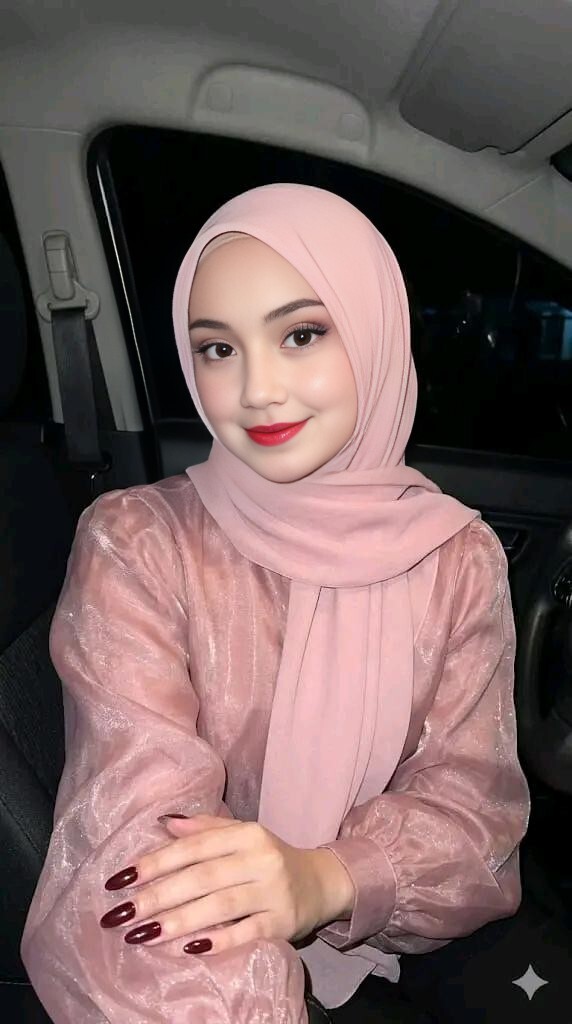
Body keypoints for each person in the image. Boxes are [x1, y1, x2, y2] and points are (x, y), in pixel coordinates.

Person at [21, 183, 530, 1023]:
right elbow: (146, 839)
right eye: (218, 348)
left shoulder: (455, 558)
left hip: (392, 943)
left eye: (301, 334)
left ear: (374, 332)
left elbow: (476, 814)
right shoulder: (140, 542)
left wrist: (325, 878)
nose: (257, 389)